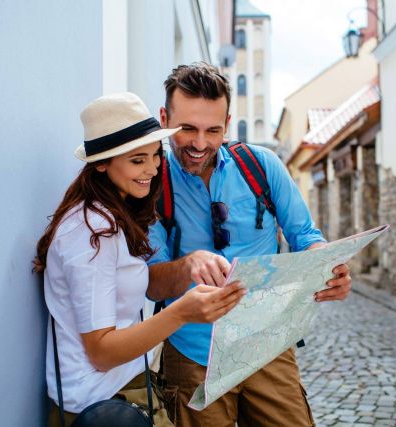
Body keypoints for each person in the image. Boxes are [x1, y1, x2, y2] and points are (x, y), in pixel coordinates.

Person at [146, 63, 352, 426]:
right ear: (164, 118)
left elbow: (306, 237)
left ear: (227, 123)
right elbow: (150, 284)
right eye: (186, 129)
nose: (199, 143)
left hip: (267, 343)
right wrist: (187, 264)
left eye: (212, 130)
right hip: (194, 353)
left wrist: (328, 267)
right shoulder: (149, 184)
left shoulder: (262, 165)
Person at [33, 92, 246, 427]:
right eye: (137, 160)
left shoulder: (109, 218)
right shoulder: (93, 232)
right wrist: (181, 312)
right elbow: (101, 352)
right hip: (103, 404)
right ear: (102, 163)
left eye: (154, 156)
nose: (151, 169)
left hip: (123, 391)